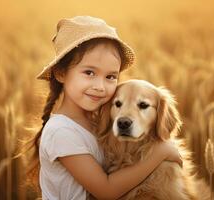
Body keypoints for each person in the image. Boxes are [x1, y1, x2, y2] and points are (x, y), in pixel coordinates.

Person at [29, 16, 182, 200]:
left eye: (110, 76)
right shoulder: (61, 131)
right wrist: (160, 153)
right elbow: (106, 191)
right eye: (89, 73)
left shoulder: (98, 122)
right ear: (61, 73)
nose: (100, 86)